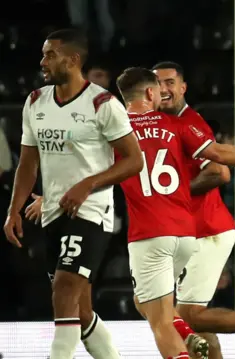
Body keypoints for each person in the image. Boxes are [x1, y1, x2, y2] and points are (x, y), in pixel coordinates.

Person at [115, 67, 235, 359]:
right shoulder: (168, 123)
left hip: (205, 227)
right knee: (154, 304)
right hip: (183, 230)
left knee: (180, 312)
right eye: (159, 83)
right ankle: (193, 339)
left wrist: (165, 198)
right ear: (150, 91)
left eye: (170, 83)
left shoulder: (187, 122)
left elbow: (219, 170)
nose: (164, 89)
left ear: (183, 87)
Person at [3, 29, 144, 359]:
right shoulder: (35, 101)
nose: (42, 62)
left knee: (64, 288)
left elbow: (134, 160)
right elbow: (28, 161)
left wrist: (87, 185)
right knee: (79, 311)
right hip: (53, 211)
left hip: (91, 212)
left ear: (74, 59)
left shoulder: (102, 104)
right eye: (43, 54)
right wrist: (14, 209)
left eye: (50, 55)